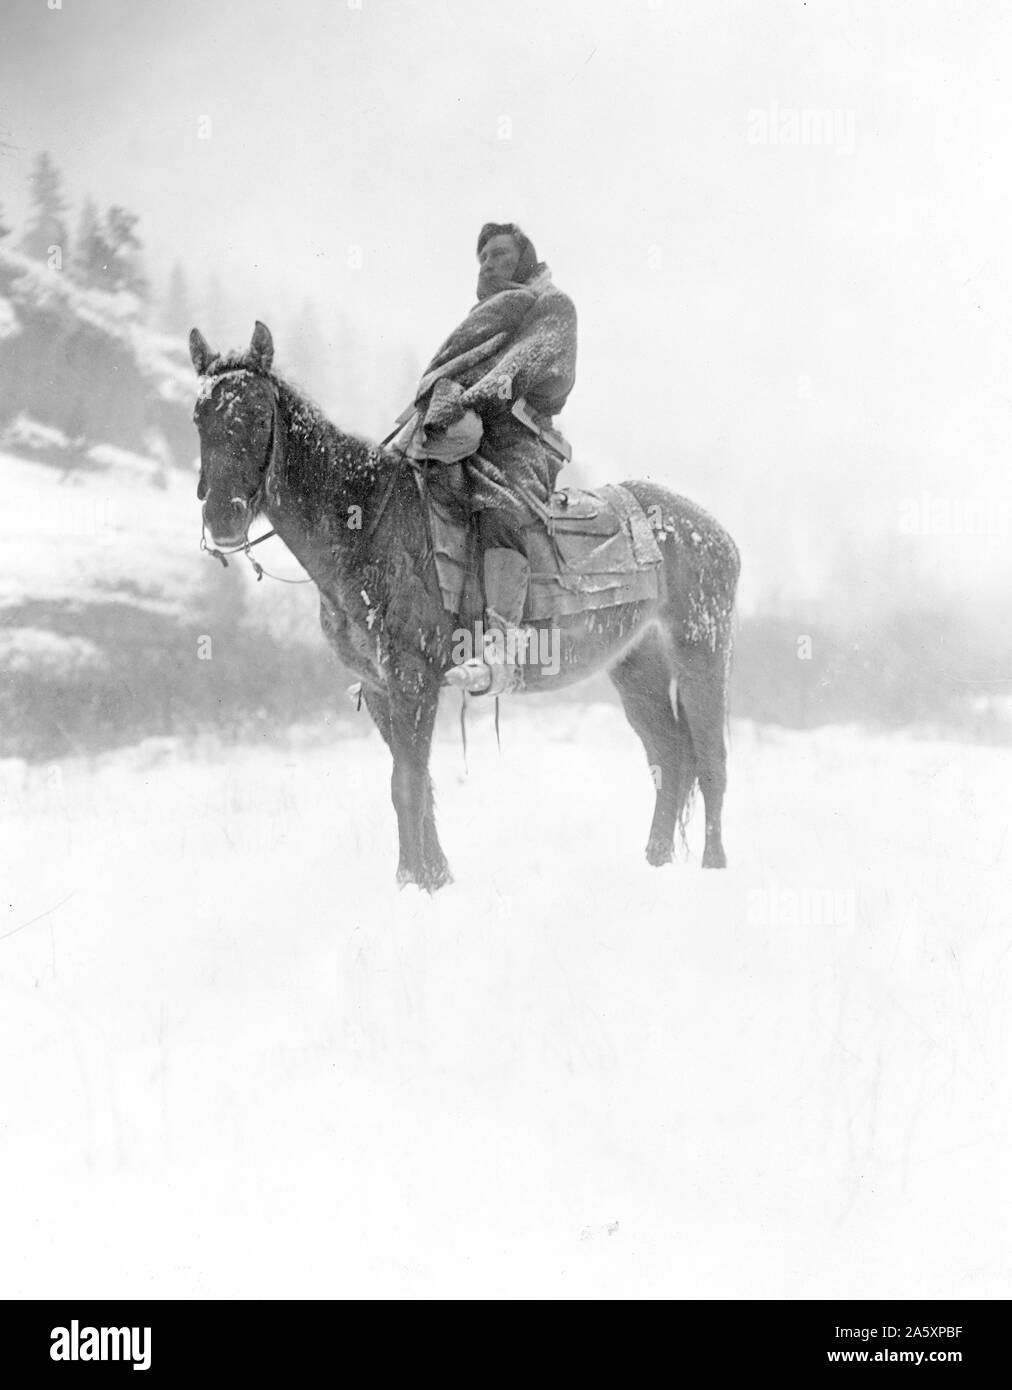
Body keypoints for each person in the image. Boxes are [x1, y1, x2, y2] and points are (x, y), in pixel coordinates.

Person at [389, 222, 578, 694]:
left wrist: (469, 397)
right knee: (419, 498)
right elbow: (451, 370)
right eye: (484, 258)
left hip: (519, 439)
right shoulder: (483, 316)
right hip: (465, 431)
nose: (490, 263)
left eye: (500, 254)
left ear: (524, 257)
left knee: (500, 507)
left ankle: (502, 646)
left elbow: (532, 367)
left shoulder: (552, 305)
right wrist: (444, 404)